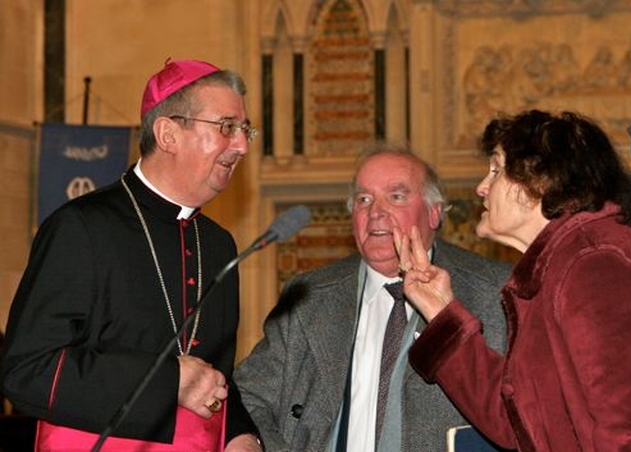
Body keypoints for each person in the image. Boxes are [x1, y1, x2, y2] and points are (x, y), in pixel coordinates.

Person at [1, 59, 263, 451]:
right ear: (168, 134)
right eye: (227, 127)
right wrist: (167, 381)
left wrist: (241, 434)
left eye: (245, 130)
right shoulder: (82, 227)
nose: (242, 145)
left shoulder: (218, 244)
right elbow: (28, 371)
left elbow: (214, 375)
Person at [234, 143, 512, 452]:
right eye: (363, 199)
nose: (375, 212)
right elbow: (249, 395)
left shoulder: (494, 292)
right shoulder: (309, 296)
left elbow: (526, 411)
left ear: (434, 213)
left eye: (396, 196)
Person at [397, 110, 631, 451]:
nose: (481, 188)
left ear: (540, 180)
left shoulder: (596, 261)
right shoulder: (560, 267)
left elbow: (626, 430)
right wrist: (440, 312)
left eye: (496, 170)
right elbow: (519, 420)